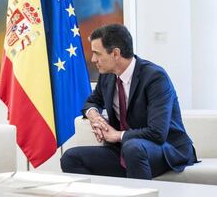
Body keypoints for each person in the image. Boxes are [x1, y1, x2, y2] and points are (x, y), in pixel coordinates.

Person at [60, 24, 197, 179]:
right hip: (126, 150)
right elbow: (91, 102)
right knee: (70, 158)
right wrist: (94, 117)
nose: (93, 59)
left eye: (97, 53)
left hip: (164, 149)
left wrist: (118, 135)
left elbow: (157, 133)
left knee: (133, 148)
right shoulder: (108, 76)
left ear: (116, 53)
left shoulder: (155, 77)